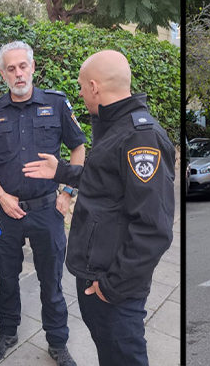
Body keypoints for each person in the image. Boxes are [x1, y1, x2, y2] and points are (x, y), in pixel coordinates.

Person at [22, 50, 175, 366]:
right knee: (109, 351)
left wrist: (112, 287)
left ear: (94, 87)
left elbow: (153, 227)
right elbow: (106, 180)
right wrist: (62, 171)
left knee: (123, 355)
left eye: (80, 86)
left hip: (113, 285)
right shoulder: (115, 126)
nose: (78, 92)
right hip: (97, 272)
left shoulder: (140, 137)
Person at [0, 41, 86, 365]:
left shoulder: (56, 104)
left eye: (23, 66)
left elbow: (78, 148)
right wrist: (1, 195)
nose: (18, 73)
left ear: (33, 67)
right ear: (3, 73)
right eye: (11, 68)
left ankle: (58, 342)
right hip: (5, 213)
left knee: (51, 282)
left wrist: (66, 192)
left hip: (47, 211)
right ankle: (7, 332)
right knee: (6, 280)